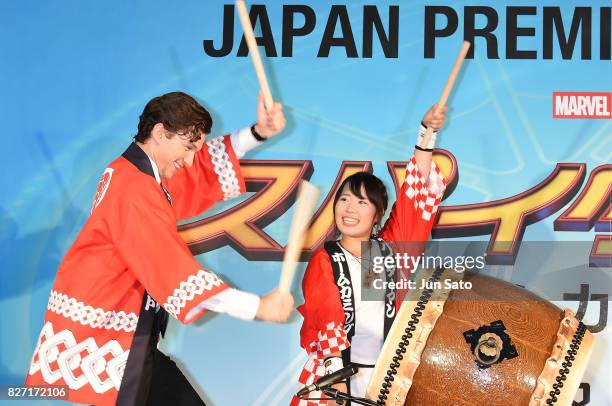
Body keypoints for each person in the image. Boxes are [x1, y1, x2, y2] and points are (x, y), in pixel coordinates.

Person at [25, 91, 294, 406]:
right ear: (160, 132)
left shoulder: (136, 173)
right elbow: (170, 269)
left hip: (124, 331)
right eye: (188, 146)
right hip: (109, 334)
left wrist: (257, 132)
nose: (192, 159)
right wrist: (257, 307)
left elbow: (198, 170)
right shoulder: (134, 190)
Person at [293, 104, 447, 405]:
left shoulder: (390, 251)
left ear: (378, 215)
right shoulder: (327, 258)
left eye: (362, 203)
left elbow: (415, 202)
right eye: (345, 199)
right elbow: (326, 313)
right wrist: (335, 373)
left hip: (388, 379)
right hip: (335, 375)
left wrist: (426, 135)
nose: (349, 208)